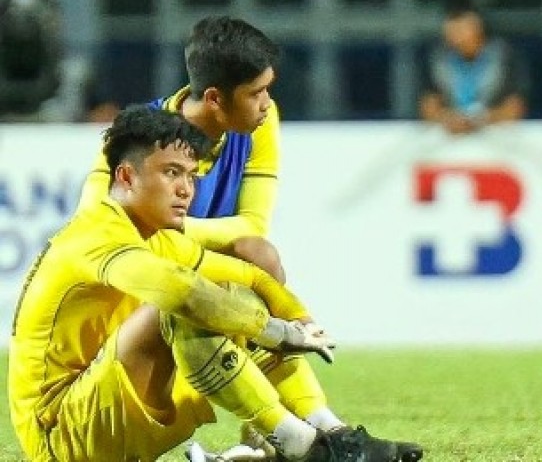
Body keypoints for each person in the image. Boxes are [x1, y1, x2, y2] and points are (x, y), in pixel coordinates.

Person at [9, 106, 422, 461]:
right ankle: (304, 448)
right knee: (190, 302)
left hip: (109, 406)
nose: (186, 188)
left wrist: (298, 320)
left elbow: (252, 276)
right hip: (61, 434)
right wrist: (276, 333)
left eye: (190, 175)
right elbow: (182, 293)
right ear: (127, 177)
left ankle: (331, 433)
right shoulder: (96, 232)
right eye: (171, 172)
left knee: (237, 289)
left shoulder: (157, 236)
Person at [77, 15, 286, 282]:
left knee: (260, 255)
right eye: (256, 93)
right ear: (214, 98)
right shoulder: (133, 133)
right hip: (147, 265)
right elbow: (91, 218)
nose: (267, 103)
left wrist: (169, 228)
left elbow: (254, 226)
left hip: (193, 257)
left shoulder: (262, 123)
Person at [419, 0, 530, 134]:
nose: (454, 34)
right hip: (450, 136)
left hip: (496, 136)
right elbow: (428, 105)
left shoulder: (504, 56)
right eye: (450, 28)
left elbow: (515, 107)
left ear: (477, 26)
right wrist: (447, 119)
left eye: (460, 27)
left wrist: (480, 120)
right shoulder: (438, 60)